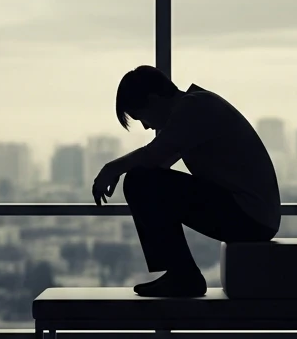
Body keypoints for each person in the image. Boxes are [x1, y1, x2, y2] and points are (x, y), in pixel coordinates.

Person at [91, 66, 280, 297]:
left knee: (138, 182)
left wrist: (112, 168)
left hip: (250, 216)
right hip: (253, 214)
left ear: (154, 99)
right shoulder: (196, 106)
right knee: (142, 179)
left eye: (142, 117)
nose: (147, 126)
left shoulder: (194, 107)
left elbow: (154, 156)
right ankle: (180, 273)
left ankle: (182, 275)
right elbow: (158, 162)